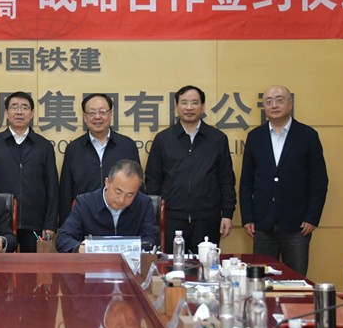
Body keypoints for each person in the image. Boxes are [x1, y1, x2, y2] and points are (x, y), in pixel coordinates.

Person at [239, 85, 328, 276]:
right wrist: (248, 217)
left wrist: (312, 217)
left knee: (296, 279)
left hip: (297, 225)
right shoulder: (255, 137)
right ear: (264, 107)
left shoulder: (307, 136)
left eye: (279, 100)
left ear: (290, 103)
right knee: (261, 280)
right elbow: (246, 182)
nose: (274, 105)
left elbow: (319, 181)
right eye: (269, 101)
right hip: (262, 224)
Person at [145, 85, 236, 250]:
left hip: (207, 219)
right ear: (176, 106)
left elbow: (226, 179)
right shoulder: (163, 139)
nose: (189, 107)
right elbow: (153, 180)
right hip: (171, 218)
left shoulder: (217, 139)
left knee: (205, 264)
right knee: (171, 264)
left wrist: (228, 214)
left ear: (202, 106)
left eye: (194, 103)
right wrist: (154, 216)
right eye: (184, 103)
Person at [0, 91, 59, 252]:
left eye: (24, 107)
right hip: (0, 221)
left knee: (34, 265)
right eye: (14, 107)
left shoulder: (43, 146)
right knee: (0, 265)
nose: (19, 112)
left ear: (32, 113)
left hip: (35, 222)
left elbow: (52, 186)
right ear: (6, 112)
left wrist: (50, 223)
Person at [59, 93, 141, 224]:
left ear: (111, 114)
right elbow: (66, 192)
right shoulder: (73, 149)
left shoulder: (127, 146)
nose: (97, 117)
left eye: (102, 112)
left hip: (122, 219)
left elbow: (137, 186)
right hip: (84, 219)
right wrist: (66, 225)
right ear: (84, 117)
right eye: (92, 113)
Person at [57, 159, 158, 253]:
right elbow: (63, 238)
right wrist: (80, 248)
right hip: (94, 263)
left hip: (132, 263)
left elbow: (152, 239)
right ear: (107, 182)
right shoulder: (85, 203)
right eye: (118, 191)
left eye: (130, 194)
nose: (121, 200)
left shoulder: (144, 203)